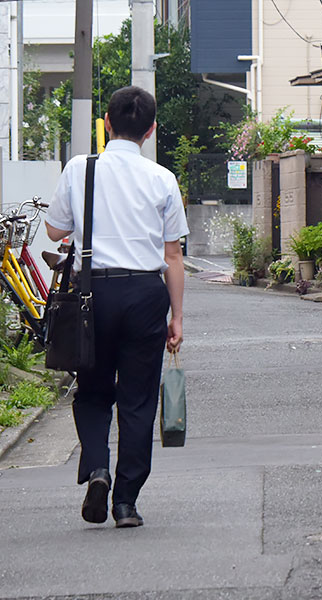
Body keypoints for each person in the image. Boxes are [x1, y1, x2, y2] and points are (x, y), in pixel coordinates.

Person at [45, 86, 188, 528]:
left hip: (93, 293)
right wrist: (176, 317)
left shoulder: (79, 168)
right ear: (150, 130)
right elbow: (174, 257)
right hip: (146, 294)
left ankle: (97, 468)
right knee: (138, 400)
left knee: (91, 391)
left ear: (106, 123)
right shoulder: (162, 178)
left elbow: (53, 231)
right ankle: (125, 501)